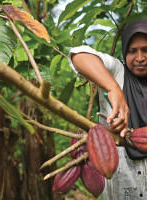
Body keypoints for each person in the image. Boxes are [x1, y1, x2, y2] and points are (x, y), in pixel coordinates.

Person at [68, 18, 147, 200]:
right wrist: (113, 88)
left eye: (146, 50)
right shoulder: (116, 71)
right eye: (132, 51)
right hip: (121, 181)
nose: (140, 57)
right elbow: (79, 55)